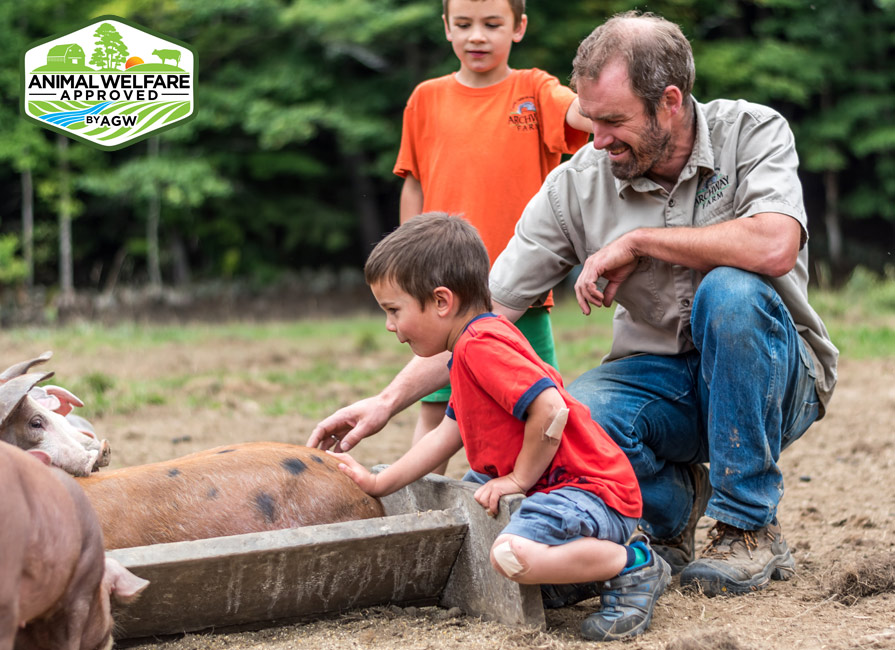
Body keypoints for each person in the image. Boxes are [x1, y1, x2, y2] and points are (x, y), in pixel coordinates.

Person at [311, 11, 839, 599]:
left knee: (731, 290)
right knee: (570, 417)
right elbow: (480, 317)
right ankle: (668, 514)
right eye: (590, 119)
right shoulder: (575, 186)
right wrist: (385, 402)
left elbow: (773, 243)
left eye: (614, 121)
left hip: (777, 380)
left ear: (669, 102)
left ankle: (747, 527)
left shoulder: (752, 131)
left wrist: (638, 242)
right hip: (658, 382)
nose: (597, 139)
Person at [330, 213, 669, 641]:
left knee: (509, 555)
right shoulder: (468, 350)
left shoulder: (481, 345)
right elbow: (445, 434)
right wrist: (381, 483)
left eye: (393, 310)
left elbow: (550, 409)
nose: (389, 325)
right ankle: (576, 571)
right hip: (563, 492)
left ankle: (633, 562)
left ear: (441, 301)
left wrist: (518, 478)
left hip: (589, 490)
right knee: (481, 514)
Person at [395, 0, 591, 473]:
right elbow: (414, 182)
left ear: (519, 27)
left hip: (521, 291)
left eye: (491, 24)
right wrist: (405, 273)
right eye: (463, 25)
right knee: (435, 407)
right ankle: (420, 509)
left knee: (540, 400)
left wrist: (619, 98)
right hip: (445, 294)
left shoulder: (535, 88)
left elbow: (584, 116)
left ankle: (545, 498)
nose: (477, 36)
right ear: (446, 28)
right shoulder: (425, 98)